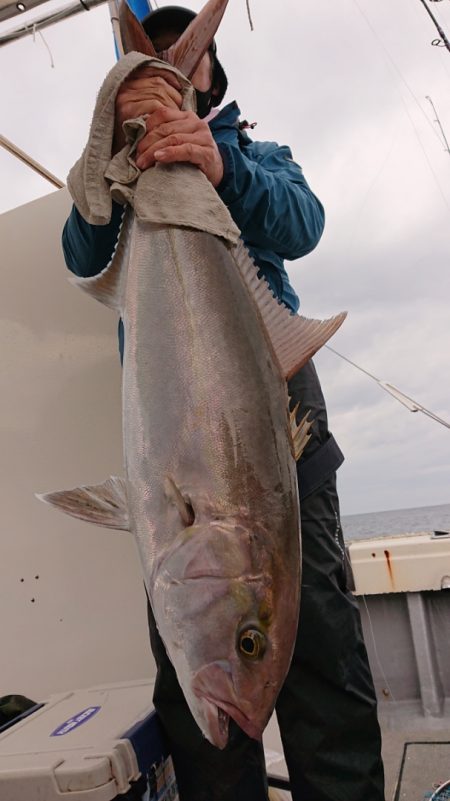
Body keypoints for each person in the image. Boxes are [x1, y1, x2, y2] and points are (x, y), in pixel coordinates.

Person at [62, 6, 385, 801]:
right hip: (170, 441)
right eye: (155, 57)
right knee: (194, 704)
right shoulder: (121, 170)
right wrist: (118, 144)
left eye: (187, 54)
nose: (174, 64)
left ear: (212, 73)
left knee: (324, 671)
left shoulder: (259, 154)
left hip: (282, 436)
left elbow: (303, 222)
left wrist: (220, 168)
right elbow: (80, 251)